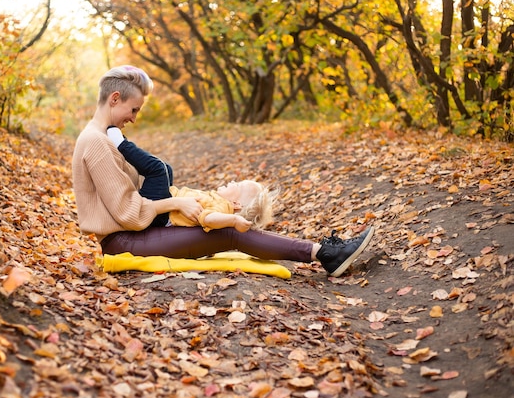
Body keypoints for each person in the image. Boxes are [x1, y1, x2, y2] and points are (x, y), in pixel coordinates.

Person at [71, 65, 375, 277]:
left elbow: (135, 194)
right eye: (133, 109)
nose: (134, 118)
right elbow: (128, 214)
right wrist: (176, 203)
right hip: (124, 241)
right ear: (114, 99)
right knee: (229, 232)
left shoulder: (100, 138)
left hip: (135, 234)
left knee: (170, 177)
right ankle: (325, 254)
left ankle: (323, 251)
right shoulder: (97, 143)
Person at [105, 125, 274, 232]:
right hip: (165, 205)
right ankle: (122, 146)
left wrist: (234, 220)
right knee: (167, 169)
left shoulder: (221, 209)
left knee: (159, 170)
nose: (231, 181)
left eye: (236, 185)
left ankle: (121, 144)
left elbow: (210, 220)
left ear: (236, 205)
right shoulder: (218, 200)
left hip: (160, 215)